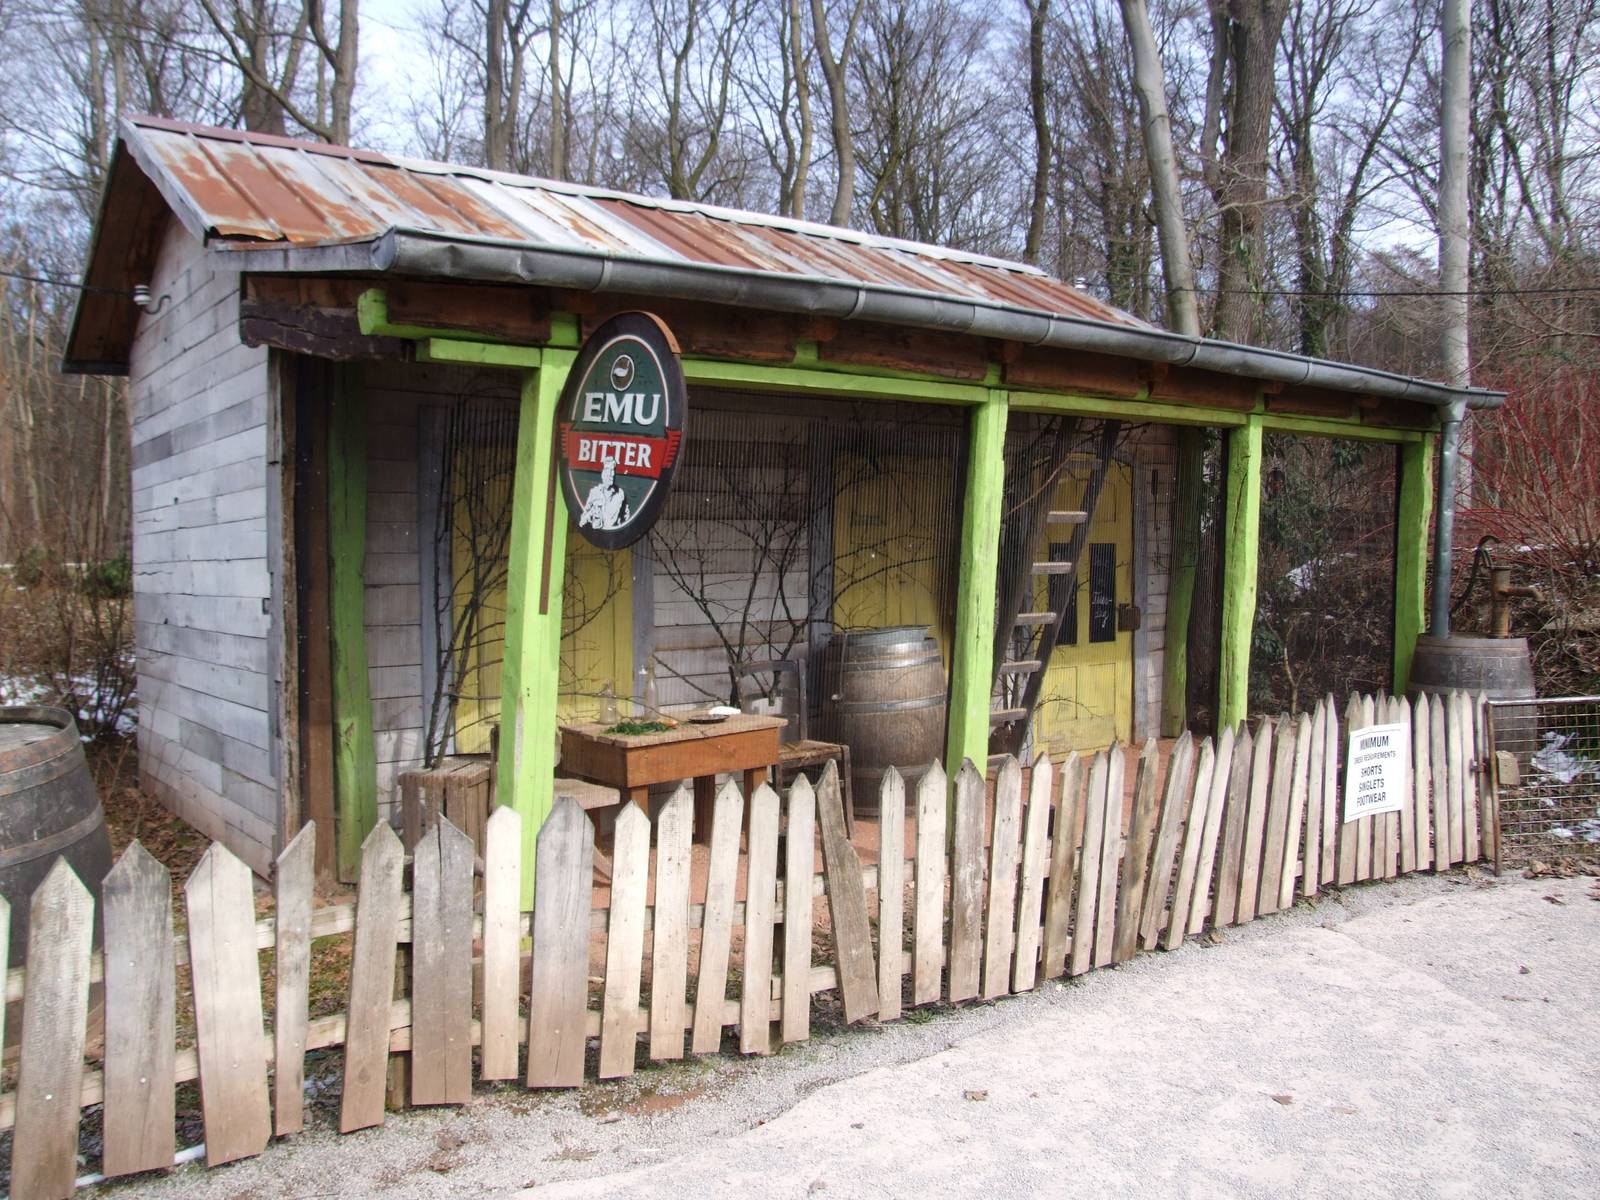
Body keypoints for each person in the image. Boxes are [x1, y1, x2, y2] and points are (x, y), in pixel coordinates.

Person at [578, 457, 630, 530]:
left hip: (614, 533)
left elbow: (626, 518)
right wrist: (592, 514)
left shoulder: (620, 494)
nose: (612, 474)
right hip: (596, 532)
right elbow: (582, 520)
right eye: (609, 470)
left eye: (613, 470)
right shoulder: (594, 492)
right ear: (603, 473)